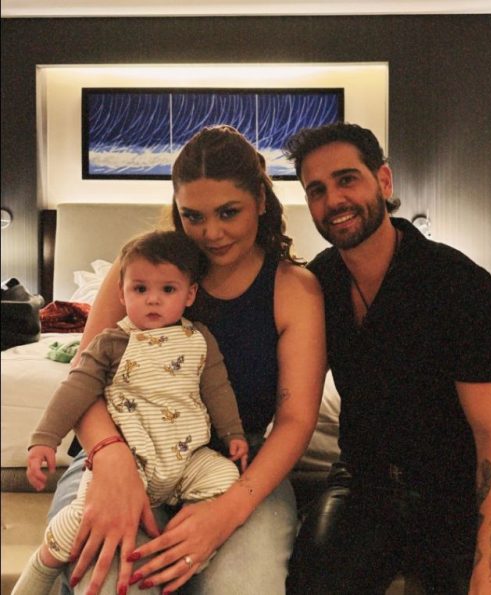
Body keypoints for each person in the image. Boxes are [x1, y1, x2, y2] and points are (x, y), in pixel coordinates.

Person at [46, 125, 326, 595]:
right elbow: (83, 379)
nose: (211, 233)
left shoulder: (294, 290)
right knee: (112, 580)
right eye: (192, 216)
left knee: (243, 585)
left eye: (228, 212)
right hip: (123, 452)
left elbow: (296, 420)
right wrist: (109, 455)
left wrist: (229, 510)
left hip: (235, 467)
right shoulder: (137, 269)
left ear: (260, 199)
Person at [283, 122, 491, 595]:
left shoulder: (460, 285)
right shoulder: (319, 285)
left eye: (347, 179)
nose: (333, 200)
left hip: (455, 493)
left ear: (383, 180)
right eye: (317, 190)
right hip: (362, 485)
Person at [13, 230, 249, 595]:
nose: (153, 299)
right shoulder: (111, 343)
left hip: (186, 458)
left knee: (225, 480)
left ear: (189, 295)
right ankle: (41, 567)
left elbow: (217, 388)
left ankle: (181, 555)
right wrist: (45, 438)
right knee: (81, 523)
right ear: (121, 294)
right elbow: (75, 390)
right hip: (127, 463)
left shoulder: (199, 339)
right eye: (140, 289)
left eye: (167, 290)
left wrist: (233, 432)